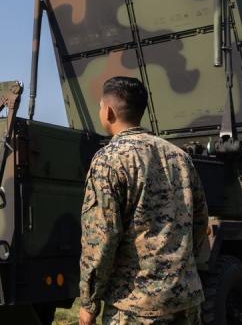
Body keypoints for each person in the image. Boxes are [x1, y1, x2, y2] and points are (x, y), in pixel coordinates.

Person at [79, 76, 209, 325]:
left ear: (107, 112)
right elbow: (200, 223)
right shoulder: (180, 157)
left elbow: (100, 239)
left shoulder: (109, 160)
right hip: (186, 302)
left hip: (135, 308)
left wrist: (89, 303)